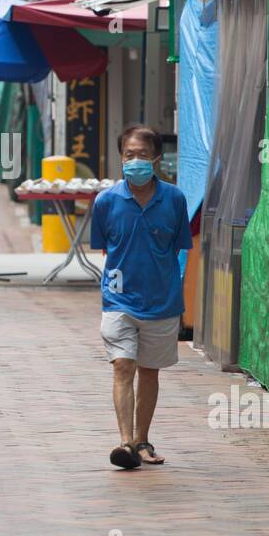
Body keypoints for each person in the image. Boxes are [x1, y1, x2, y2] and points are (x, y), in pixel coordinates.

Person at [89, 124, 191, 470]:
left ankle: (142, 439)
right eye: (129, 155)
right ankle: (125, 442)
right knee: (122, 366)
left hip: (162, 302)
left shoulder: (174, 199)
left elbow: (178, 249)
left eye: (143, 155)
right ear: (120, 158)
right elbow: (107, 249)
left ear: (157, 159)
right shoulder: (105, 201)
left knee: (149, 372)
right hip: (118, 301)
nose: (135, 161)